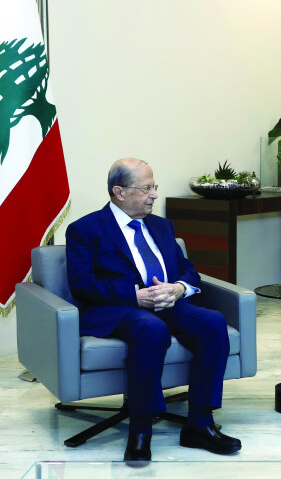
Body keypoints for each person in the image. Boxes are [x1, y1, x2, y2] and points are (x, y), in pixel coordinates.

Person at [65, 158, 242, 462]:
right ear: (119, 192)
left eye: (154, 187)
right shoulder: (86, 229)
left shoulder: (162, 225)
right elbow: (81, 284)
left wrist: (179, 288)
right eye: (146, 188)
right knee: (150, 328)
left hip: (168, 303)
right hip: (120, 308)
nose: (154, 195)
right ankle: (141, 430)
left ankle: (200, 423)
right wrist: (135, 296)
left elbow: (187, 268)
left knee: (212, 322)